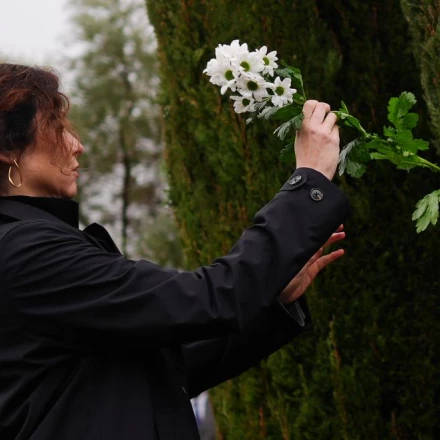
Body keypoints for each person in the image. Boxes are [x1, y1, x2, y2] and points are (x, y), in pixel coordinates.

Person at [0, 63, 349, 440]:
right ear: (8, 148)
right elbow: (206, 297)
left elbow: (163, 369)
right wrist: (308, 181)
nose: (76, 144)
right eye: (58, 127)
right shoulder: (25, 251)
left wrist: (273, 296)